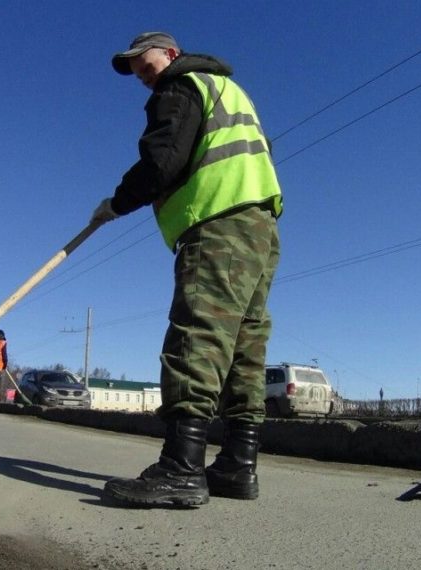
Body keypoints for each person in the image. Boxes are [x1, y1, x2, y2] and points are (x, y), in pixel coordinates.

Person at [92, 32, 283, 507]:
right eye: (135, 72)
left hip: (217, 223)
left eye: (144, 62)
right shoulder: (231, 93)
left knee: (197, 333)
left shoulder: (180, 86)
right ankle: (239, 466)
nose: (142, 75)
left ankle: (181, 468)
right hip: (259, 227)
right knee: (243, 344)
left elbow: (162, 161)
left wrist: (116, 203)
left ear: (171, 54)